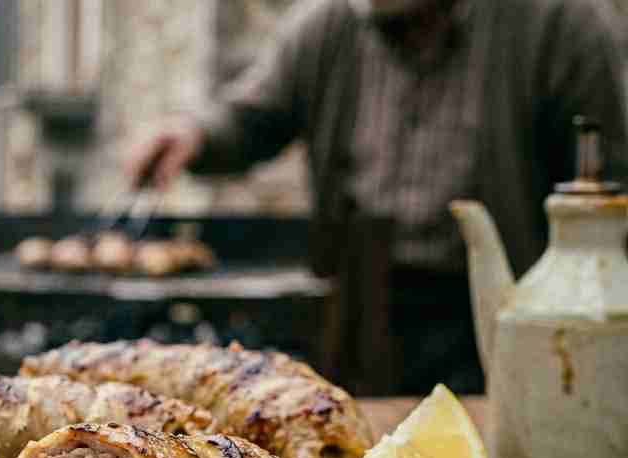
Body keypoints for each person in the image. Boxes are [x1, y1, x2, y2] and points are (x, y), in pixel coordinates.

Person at [128, 0, 627, 394]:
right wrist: (193, 134)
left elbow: (611, 175)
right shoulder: (327, 24)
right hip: (364, 312)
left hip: (498, 313)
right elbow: (253, 114)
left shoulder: (560, 23)